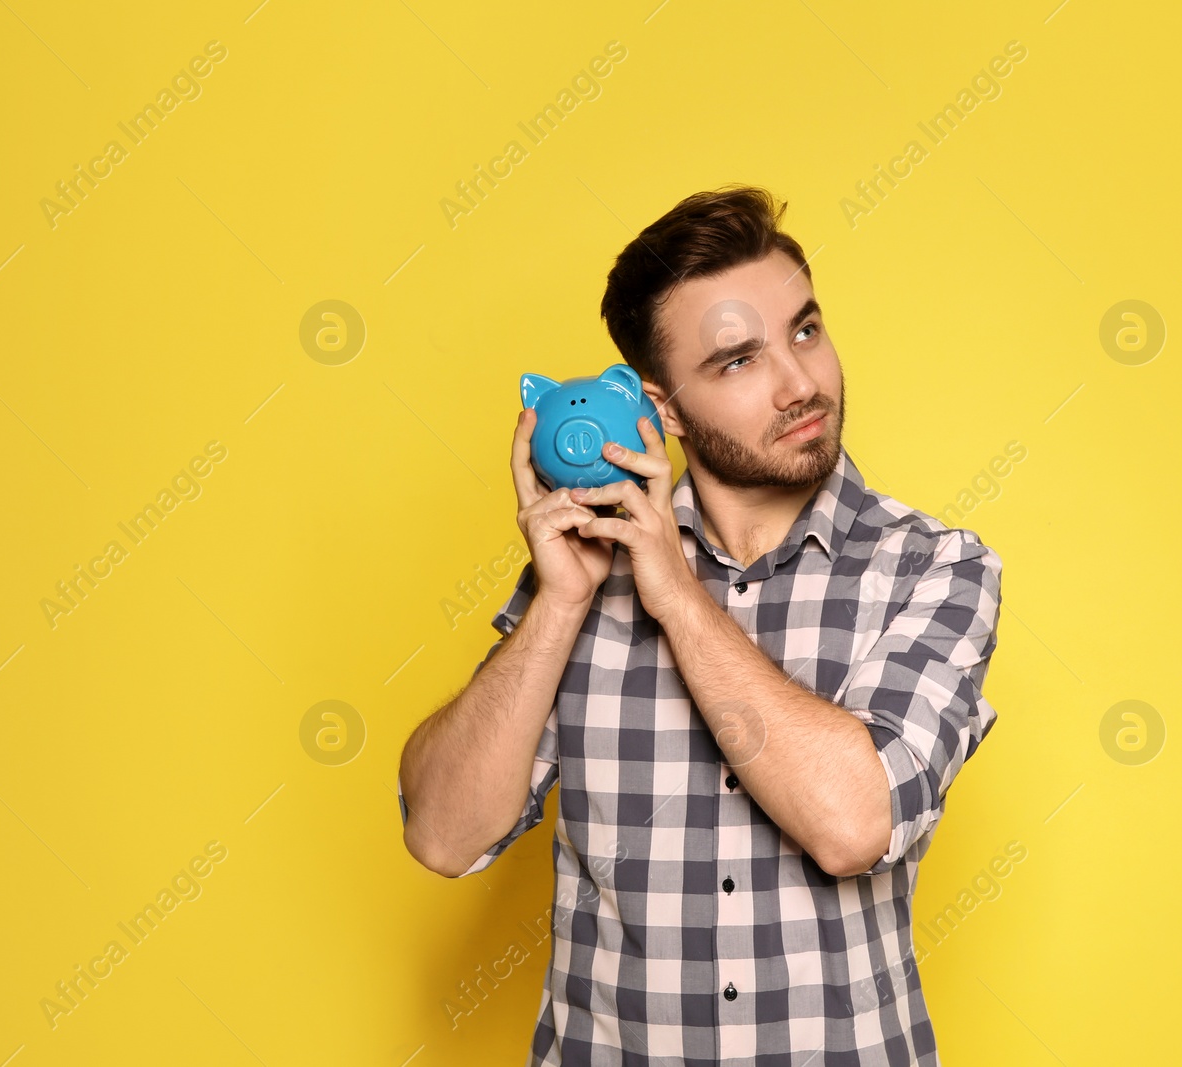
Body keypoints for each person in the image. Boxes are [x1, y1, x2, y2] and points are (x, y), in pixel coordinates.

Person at [396, 184, 1004, 1066]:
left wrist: (678, 596)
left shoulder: (934, 569)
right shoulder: (584, 575)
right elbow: (443, 835)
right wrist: (561, 602)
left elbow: (851, 823)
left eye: (805, 329)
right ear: (664, 409)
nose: (801, 383)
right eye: (737, 361)